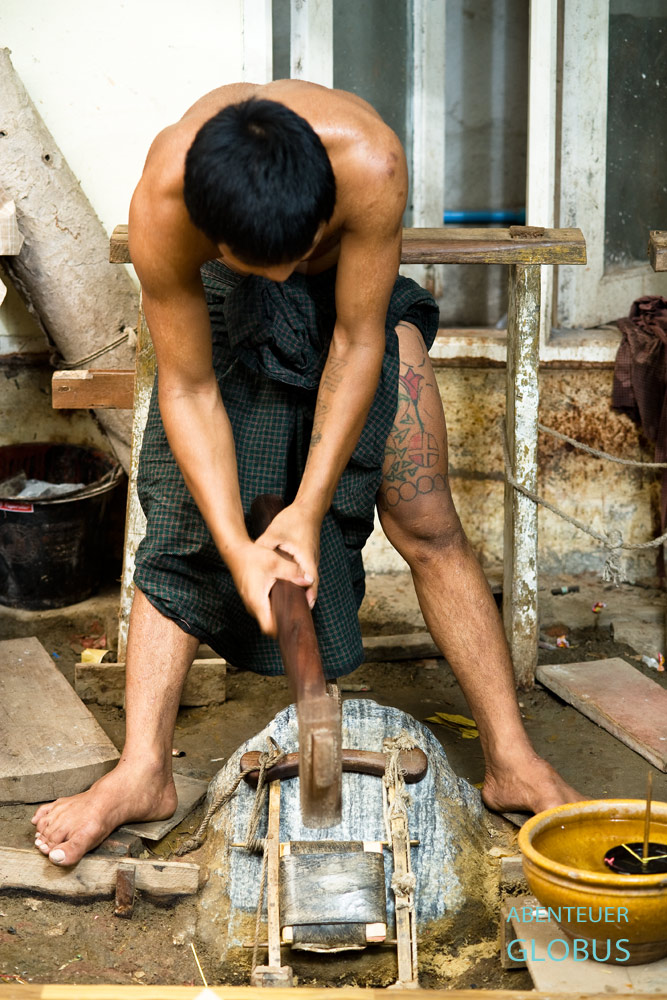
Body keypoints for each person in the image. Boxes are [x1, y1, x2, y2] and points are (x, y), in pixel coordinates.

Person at [32, 81, 580, 867]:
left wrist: (306, 509)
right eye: (266, 265)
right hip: (226, 305)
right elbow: (186, 389)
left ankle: (510, 759)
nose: (285, 279)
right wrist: (241, 544)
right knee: (182, 527)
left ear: (321, 216)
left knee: (426, 517)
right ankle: (143, 772)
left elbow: (358, 342)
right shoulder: (166, 197)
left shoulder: (369, 162)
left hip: (357, 302)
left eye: (295, 260)